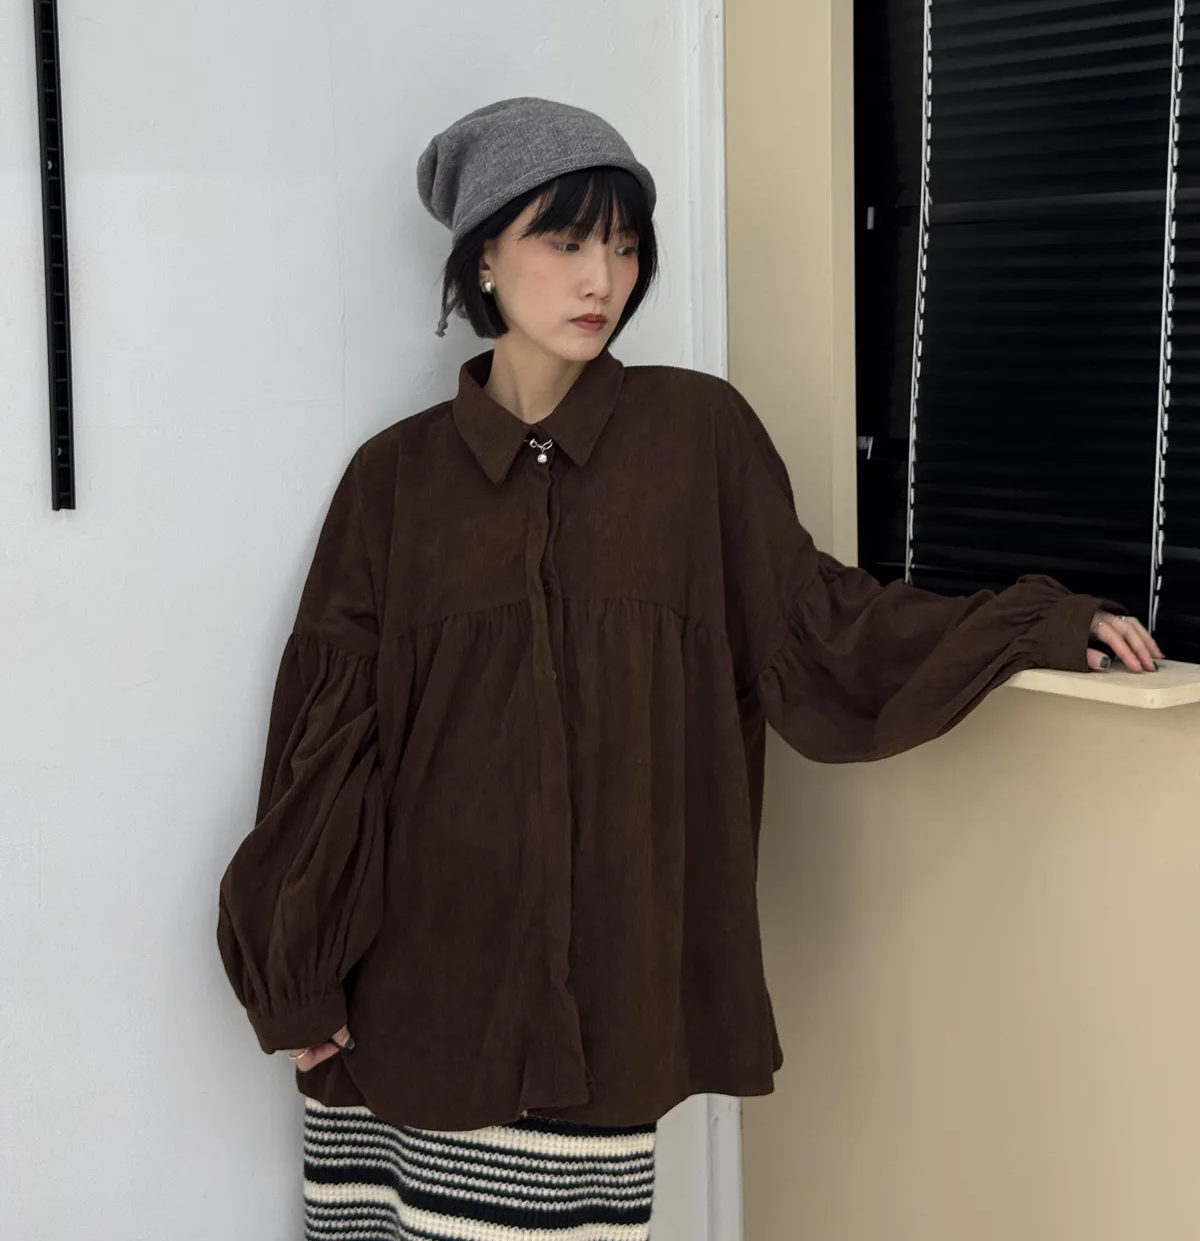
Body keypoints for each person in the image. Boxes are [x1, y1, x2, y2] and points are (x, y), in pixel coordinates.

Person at [216, 96, 1161, 1241]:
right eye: (567, 240)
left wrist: (1031, 626)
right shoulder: (394, 481)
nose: (601, 277)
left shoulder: (695, 438)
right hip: (417, 992)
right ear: (483, 260)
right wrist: (297, 974)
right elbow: (328, 743)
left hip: (604, 992)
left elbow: (819, 627)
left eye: (623, 246)